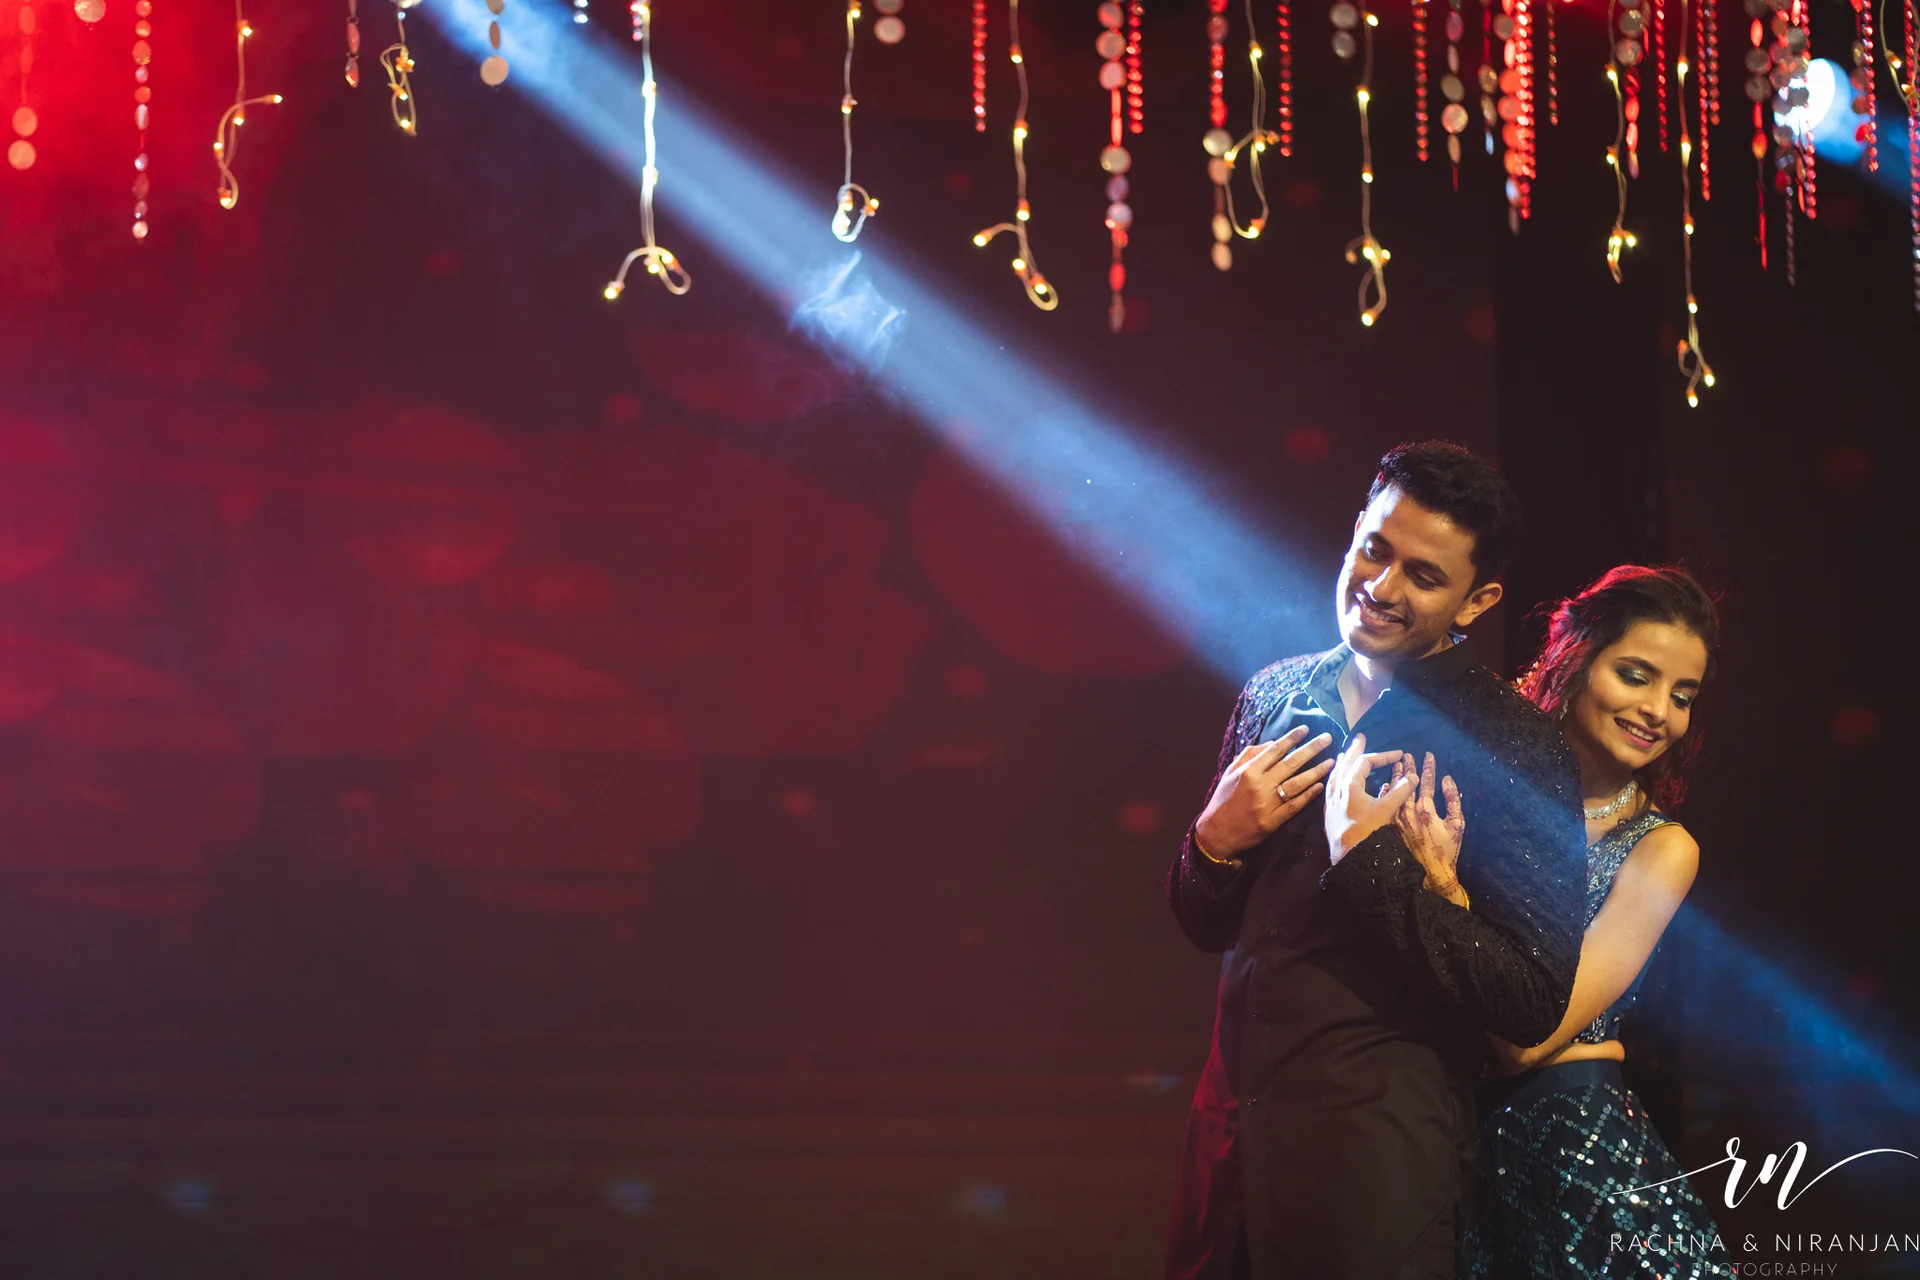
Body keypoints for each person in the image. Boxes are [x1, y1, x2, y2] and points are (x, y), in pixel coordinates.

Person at [1164, 442, 1588, 1280]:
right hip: (1231, 1149)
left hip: (1379, 1162)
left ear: (1480, 597)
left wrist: (1368, 861)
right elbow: (1203, 921)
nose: (1382, 586)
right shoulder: (1276, 694)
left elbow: (1532, 998)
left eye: (1424, 576)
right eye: (1375, 548)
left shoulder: (1513, 743)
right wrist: (1211, 842)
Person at [1391, 564, 1732, 1278]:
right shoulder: (1472, 788)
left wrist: (1447, 895)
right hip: (1459, 1156)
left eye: (1682, 695)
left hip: (1583, 1165)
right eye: (1636, 675)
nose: (1659, 712)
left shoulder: (1663, 850)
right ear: (1574, 662)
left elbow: (1526, 1037)